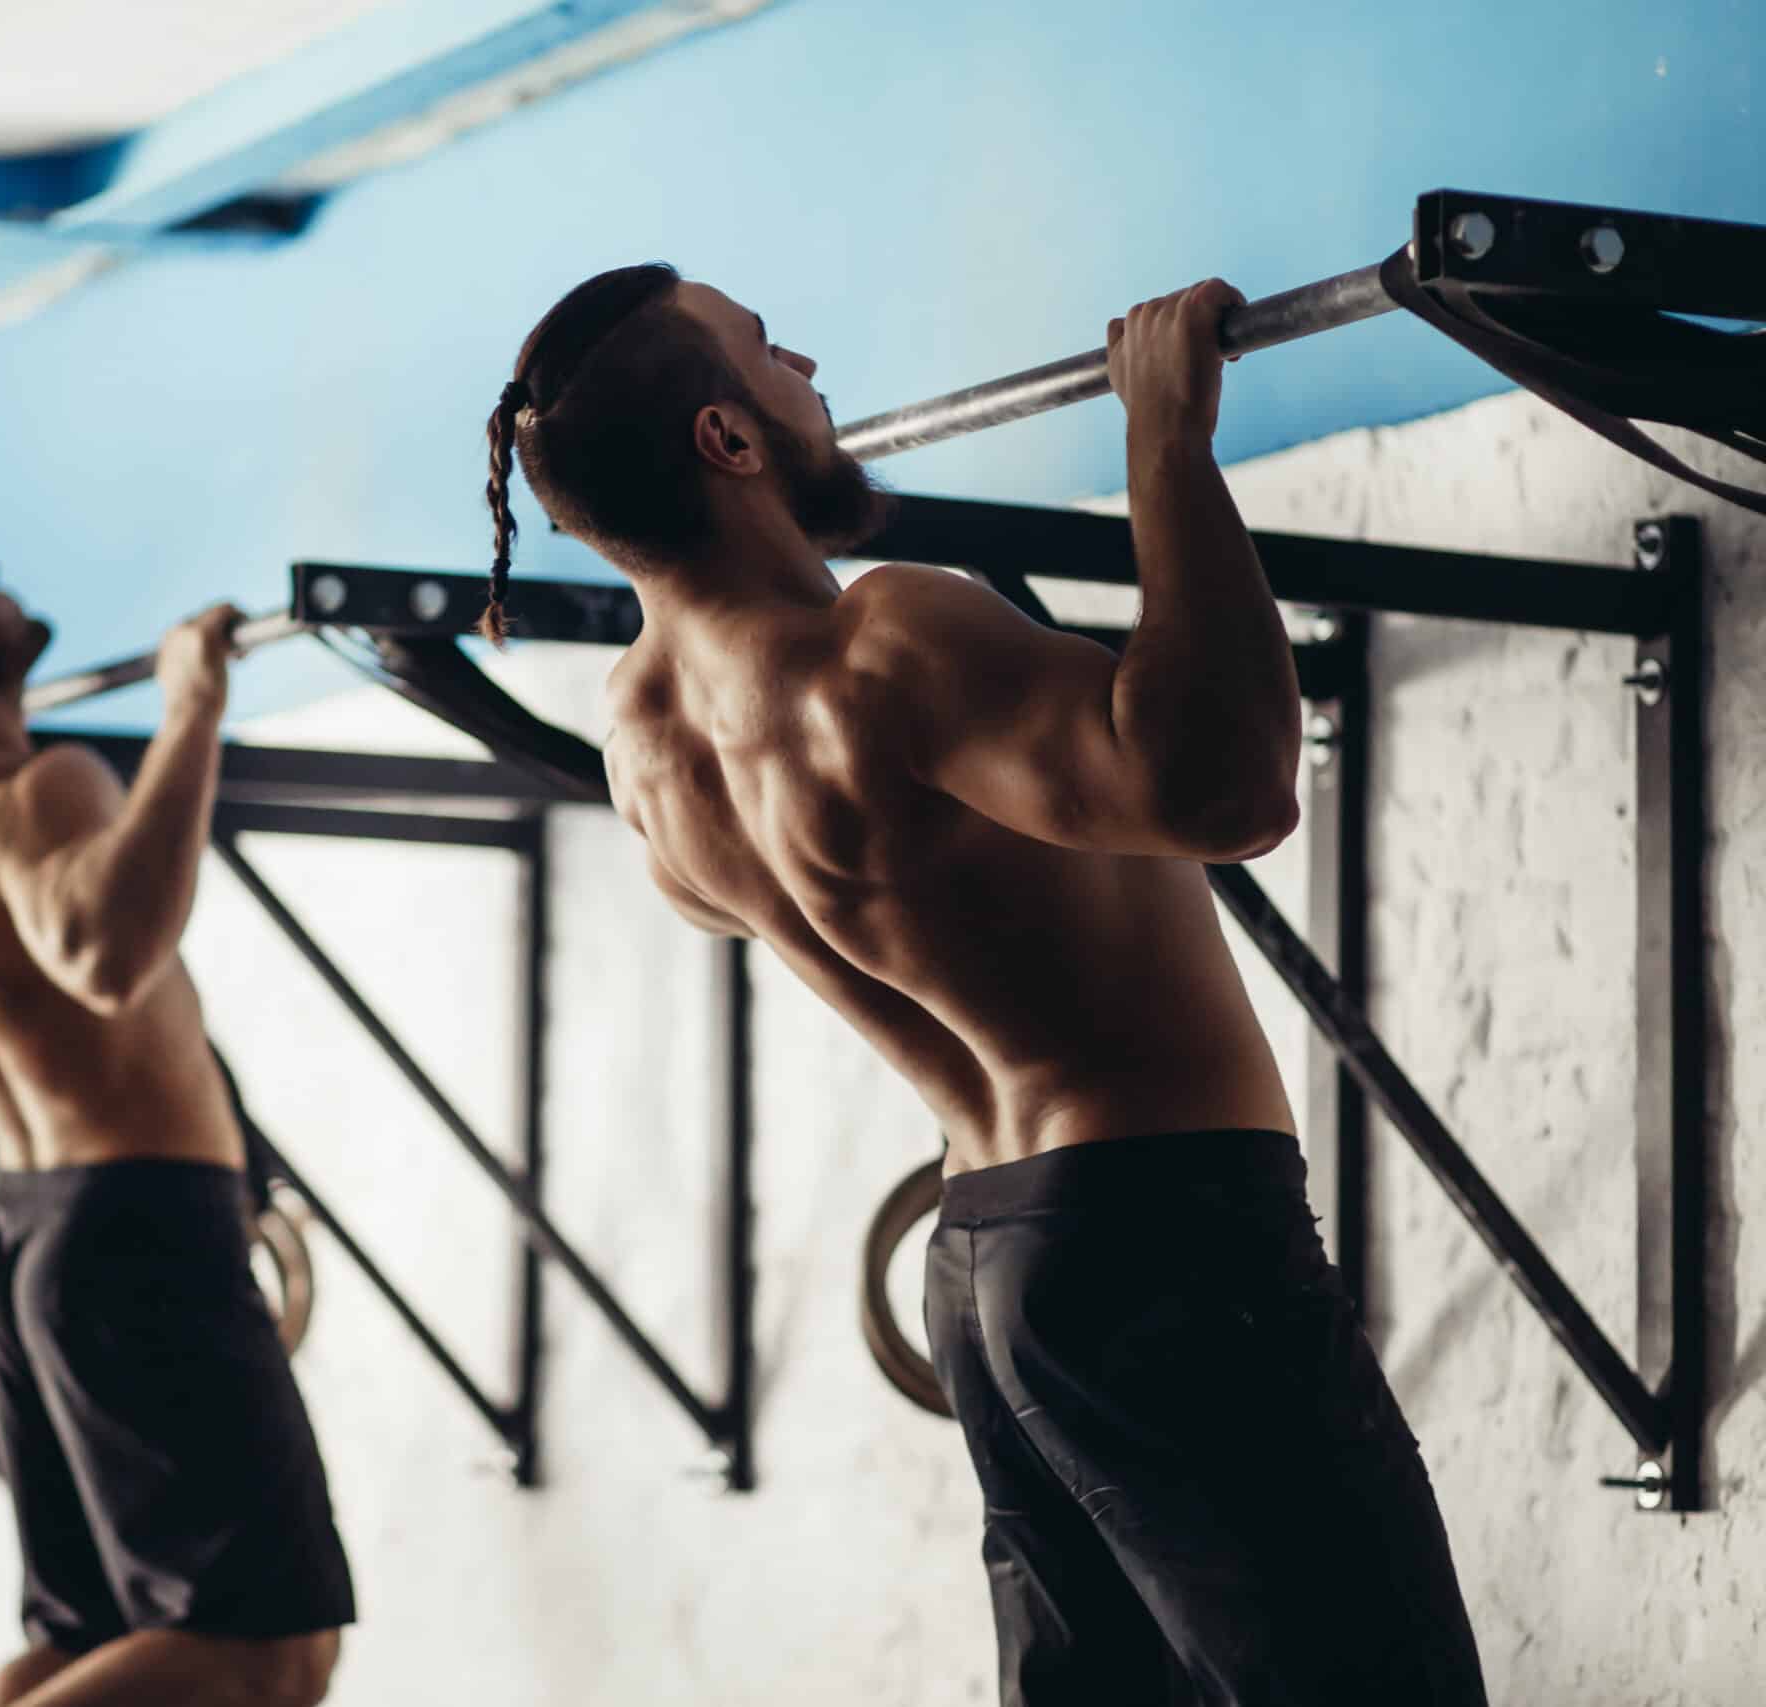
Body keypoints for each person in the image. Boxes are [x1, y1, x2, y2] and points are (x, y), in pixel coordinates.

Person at [484, 267, 1488, 1704]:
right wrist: (1167, 442)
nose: (811, 360)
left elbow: (744, 897)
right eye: (774, 351)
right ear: (728, 439)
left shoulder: (647, 745)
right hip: (1163, 1241)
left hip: (988, 1261)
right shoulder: (882, 640)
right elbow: (1231, 787)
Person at [0, 537, 352, 1707]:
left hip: (30, 1234)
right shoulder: (35, 792)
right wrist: (193, 711)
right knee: (267, 1656)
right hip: (135, 1231)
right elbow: (103, 954)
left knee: (85, 1647)